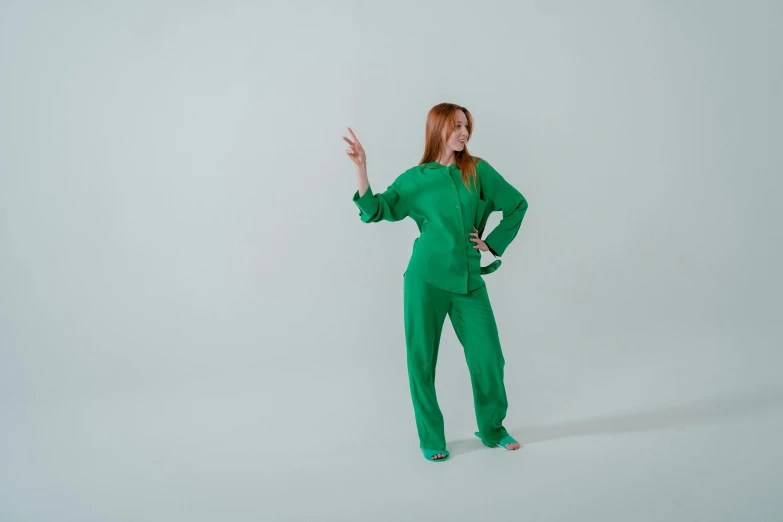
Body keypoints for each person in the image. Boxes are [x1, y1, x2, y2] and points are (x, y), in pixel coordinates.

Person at [344, 102, 529, 462]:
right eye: (456, 126)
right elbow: (376, 210)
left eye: (466, 126)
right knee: (422, 361)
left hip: (469, 282)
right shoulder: (416, 178)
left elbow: (517, 204)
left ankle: (492, 428)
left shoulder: (478, 171)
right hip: (424, 282)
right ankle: (431, 438)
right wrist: (362, 168)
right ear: (437, 129)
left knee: (489, 358)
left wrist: (491, 243)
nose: (463, 132)